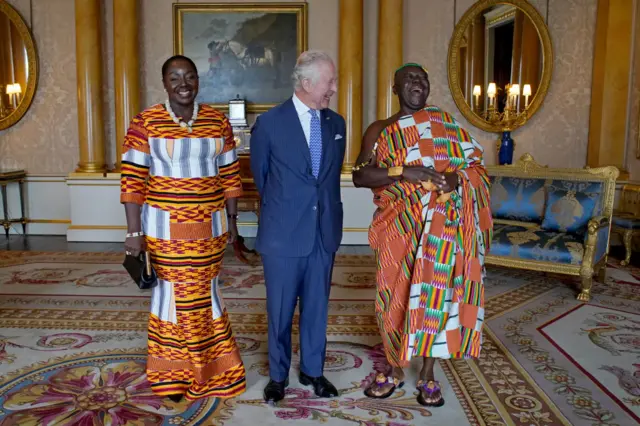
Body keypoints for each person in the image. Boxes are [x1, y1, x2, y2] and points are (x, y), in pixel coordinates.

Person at [352, 63, 493, 407]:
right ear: (395, 89)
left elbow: (475, 168)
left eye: (422, 79)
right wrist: (405, 172)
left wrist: (457, 180)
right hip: (399, 227)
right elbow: (360, 175)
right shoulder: (380, 129)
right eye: (408, 79)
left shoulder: (447, 126)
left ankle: (428, 372)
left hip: (443, 228)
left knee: (437, 296)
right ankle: (395, 367)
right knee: (391, 296)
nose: (416, 83)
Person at [120, 55, 246, 402]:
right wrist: (134, 233)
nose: (183, 84)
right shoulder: (146, 122)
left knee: (206, 293)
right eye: (175, 78)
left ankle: (214, 368)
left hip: (211, 230)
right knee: (172, 296)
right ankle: (172, 375)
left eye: (189, 77)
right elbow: (132, 181)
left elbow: (230, 176)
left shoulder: (217, 122)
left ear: (198, 80)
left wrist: (233, 222)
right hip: (164, 231)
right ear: (164, 83)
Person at [250, 50, 346, 403]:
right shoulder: (270, 123)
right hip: (283, 233)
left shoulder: (337, 124)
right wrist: (288, 209)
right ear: (307, 83)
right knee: (279, 309)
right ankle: (278, 376)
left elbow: (329, 178)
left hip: (324, 231)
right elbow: (262, 177)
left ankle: (313, 371)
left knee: (317, 307)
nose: (333, 88)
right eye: (329, 81)